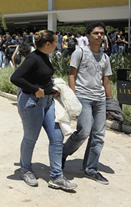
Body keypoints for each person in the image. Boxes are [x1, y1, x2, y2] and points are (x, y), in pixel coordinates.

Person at [10, 30, 77, 191]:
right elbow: (15, 78)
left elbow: (43, 77)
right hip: (32, 103)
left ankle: (56, 176)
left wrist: (51, 90)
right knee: (30, 138)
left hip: (47, 101)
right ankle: (25, 169)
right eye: (56, 42)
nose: (58, 44)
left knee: (56, 137)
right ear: (48, 44)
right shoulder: (33, 58)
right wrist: (35, 89)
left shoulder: (44, 57)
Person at [62, 22, 113, 185]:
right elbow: (71, 75)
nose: (99, 36)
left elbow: (107, 82)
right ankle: (63, 152)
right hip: (83, 97)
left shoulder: (105, 57)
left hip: (100, 100)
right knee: (84, 131)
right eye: (96, 33)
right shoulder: (80, 52)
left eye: (102, 33)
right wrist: (73, 96)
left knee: (98, 136)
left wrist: (110, 101)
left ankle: (91, 168)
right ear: (88, 35)